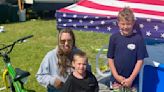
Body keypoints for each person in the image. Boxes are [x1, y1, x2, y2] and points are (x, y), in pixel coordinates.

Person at [107, 7, 148, 92]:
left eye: (128, 24)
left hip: (133, 81)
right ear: (118, 23)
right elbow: (110, 58)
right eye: (123, 24)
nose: (125, 27)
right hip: (116, 80)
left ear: (133, 23)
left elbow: (140, 60)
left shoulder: (138, 39)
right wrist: (116, 76)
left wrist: (131, 78)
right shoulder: (114, 38)